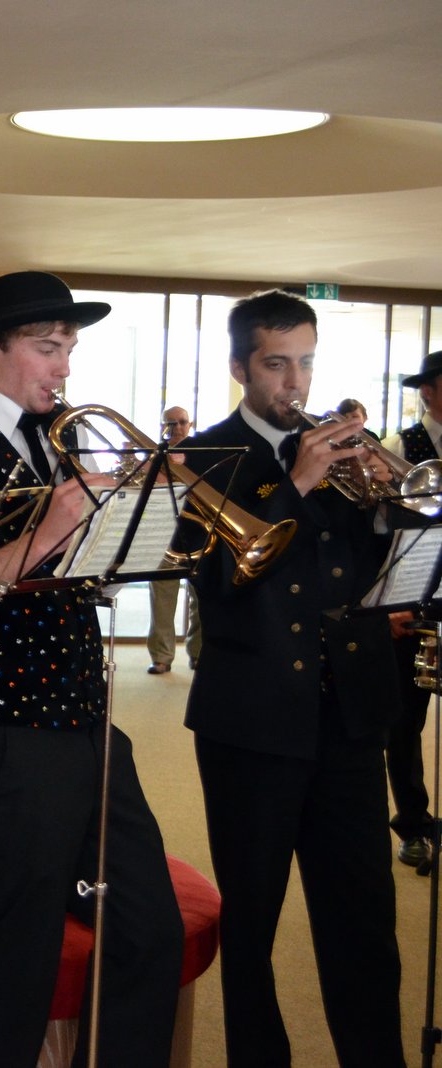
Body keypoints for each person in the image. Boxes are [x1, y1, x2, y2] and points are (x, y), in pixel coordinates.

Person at [0, 271, 184, 1068]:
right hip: (1, 729)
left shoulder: (59, 435)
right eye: (47, 347)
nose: (63, 367)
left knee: (149, 930)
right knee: (22, 949)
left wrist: (128, 529)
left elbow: (85, 574)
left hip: (85, 718)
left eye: (69, 349)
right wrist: (55, 525)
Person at [182, 289, 409, 1065]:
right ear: (240, 366)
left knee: (364, 917)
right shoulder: (201, 457)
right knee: (252, 921)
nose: (296, 383)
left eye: (305, 363)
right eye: (277, 364)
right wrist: (297, 485)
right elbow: (217, 581)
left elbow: (382, 571)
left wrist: (386, 503)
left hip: (350, 714)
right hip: (251, 720)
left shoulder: (345, 450)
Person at [381, 350, 442, 870]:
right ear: (429, 391)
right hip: (416, 602)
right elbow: (381, 532)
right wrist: (392, 602)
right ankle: (414, 823)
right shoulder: (400, 446)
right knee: (405, 722)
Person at [147, 405, 202, 673]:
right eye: (171, 423)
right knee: (162, 598)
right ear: (163, 427)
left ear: (190, 425)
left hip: (199, 533)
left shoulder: (202, 453)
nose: (177, 427)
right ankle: (161, 657)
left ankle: (199, 653)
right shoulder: (155, 456)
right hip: (164, 534)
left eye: (182, 422)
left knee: (201, 598)